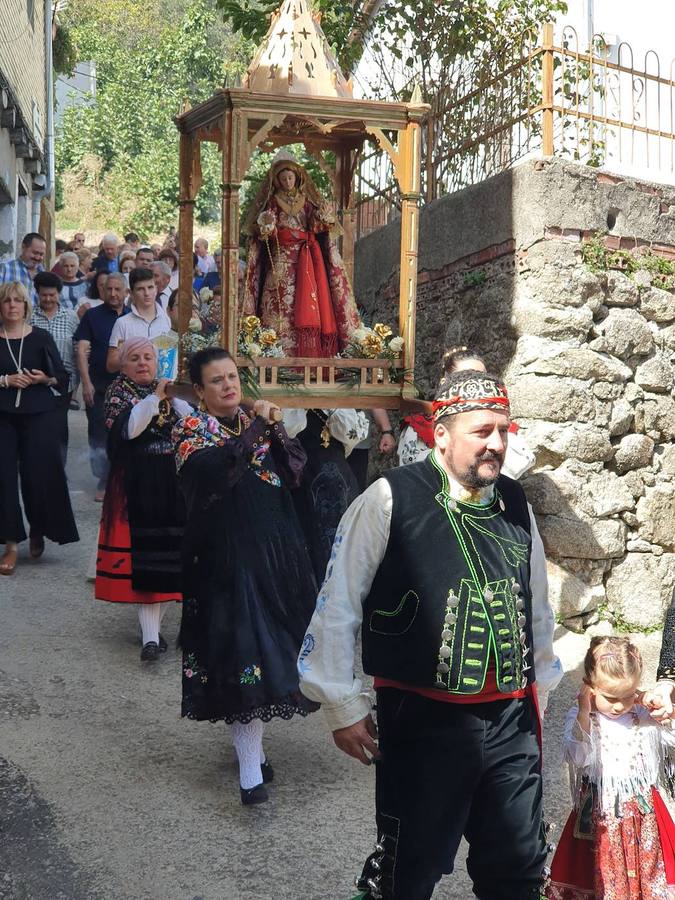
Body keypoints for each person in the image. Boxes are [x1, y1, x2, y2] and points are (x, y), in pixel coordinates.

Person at [298, 369, 562, 900]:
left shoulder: (515, 502)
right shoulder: (389, 498)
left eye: (503, 431)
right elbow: (338, 599)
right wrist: (340, 703)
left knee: (518, 867)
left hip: (512, 717)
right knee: (409, 869)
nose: (495, 443)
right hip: (423, 719)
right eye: (481, 430)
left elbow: (536, 604)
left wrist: (543, 685)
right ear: (440, 433)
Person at [172, 347, 319, 805]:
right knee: (242, 655)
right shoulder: (191, 430)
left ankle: (252, 748)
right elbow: (223, 469)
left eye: (233, 377)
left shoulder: (247, 422)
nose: (228, 386)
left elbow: (295, 471)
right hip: (223, 561)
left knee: (272, 651)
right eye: (216, 381)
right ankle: (250, 771)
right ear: (199, 390)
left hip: (271, 555)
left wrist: (273, 426)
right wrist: (259, 423)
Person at [546, 636, 675, 899]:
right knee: (599, 879)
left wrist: (663, 710)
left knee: (649, 878)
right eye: (610, 696)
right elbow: (579, 757)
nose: (619, 705)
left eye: (628, 695)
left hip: (642, 817)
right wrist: (583, 711)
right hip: (600, 817)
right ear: (589, 687)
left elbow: (670, 736)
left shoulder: (641, 716)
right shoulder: (584, 719)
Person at [95, 338, 190, 660]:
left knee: (164, 559)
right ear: (122, 365)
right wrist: (155, 398)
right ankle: (151, 637)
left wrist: (171, 397)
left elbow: (190, 423)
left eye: (148, 357)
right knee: (144, 561)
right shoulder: (117, 392)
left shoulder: (168, 393)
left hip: (169, 483)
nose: (142, 363)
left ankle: (152, 634)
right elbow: (130, 431)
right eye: (134, 358)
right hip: (136, 486)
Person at [241, 157, 361, 357]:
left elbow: (316, 227)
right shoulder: (272, 202)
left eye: (290, 177)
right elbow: (264, 229)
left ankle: (308, 351)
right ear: (278, 181)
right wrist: (268, 227)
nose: (288, 182)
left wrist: (322, 217)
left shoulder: (306, 202)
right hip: (280, 261)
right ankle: (277, 350)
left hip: (306, 262)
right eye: (284, 178)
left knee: (309, 303)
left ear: (297, 178)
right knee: (279, 303)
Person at [0, 282, 78, 575]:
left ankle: (38, 529)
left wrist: (41, 378)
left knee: (38, 475)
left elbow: (60, 375)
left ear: (25, 305)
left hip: (38, 413)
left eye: (17, 301)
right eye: (6, 301)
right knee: (4, 478)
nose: (12, 306)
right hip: (3, 416)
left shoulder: (41, 337)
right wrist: (5, 381)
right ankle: (10, 544)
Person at [399, 347, 535, 480]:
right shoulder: (419, 428)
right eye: (466, 376)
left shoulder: (504, 432)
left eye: (482, 376)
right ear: (445, 382)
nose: (477, 383)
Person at [289, 408, 369, 584]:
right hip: (302, 483)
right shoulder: (290, 405)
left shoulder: (340, 402)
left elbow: (353, 436)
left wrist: (330, 406)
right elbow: (287, 430)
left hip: (340, 486)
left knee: (343, 548)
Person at [75, 272, 129, 501]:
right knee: (99, 434)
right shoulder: (92, 316)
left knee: (126, 433)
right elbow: (81, 350)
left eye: (118, 289)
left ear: (126, 292)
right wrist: (85, 383)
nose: (114, 293)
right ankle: (104, 480)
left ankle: (125, 479)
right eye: (110, 289)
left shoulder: (132, 317)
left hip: (127, 388)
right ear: (103, 291)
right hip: (98, 387)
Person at [31, 272, 79, 463]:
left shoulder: (71, 317)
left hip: (63, 383)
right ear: (37, 294)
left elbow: (78, 351)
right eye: (44, 295)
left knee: (59, 427)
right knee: (36, 427)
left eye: (52, 295)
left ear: (59, 293)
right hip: (35, 383)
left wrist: (75, 384)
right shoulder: (29, 317)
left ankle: (59, 469)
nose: (48, 299)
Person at [106, 267, 171, 373]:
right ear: (131, 293)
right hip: (133, 386)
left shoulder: (167, 320)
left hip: (161, 384)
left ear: (156, 289)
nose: (146, 293)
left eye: (150, 287)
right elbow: (111, 365)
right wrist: (133, 351)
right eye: (140, 289)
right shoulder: (123, 323)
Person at [348, 408, 397, 493]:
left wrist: (387, 432)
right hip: (324, 437)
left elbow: (375, 399)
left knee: (354, 494)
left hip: (357, 442)